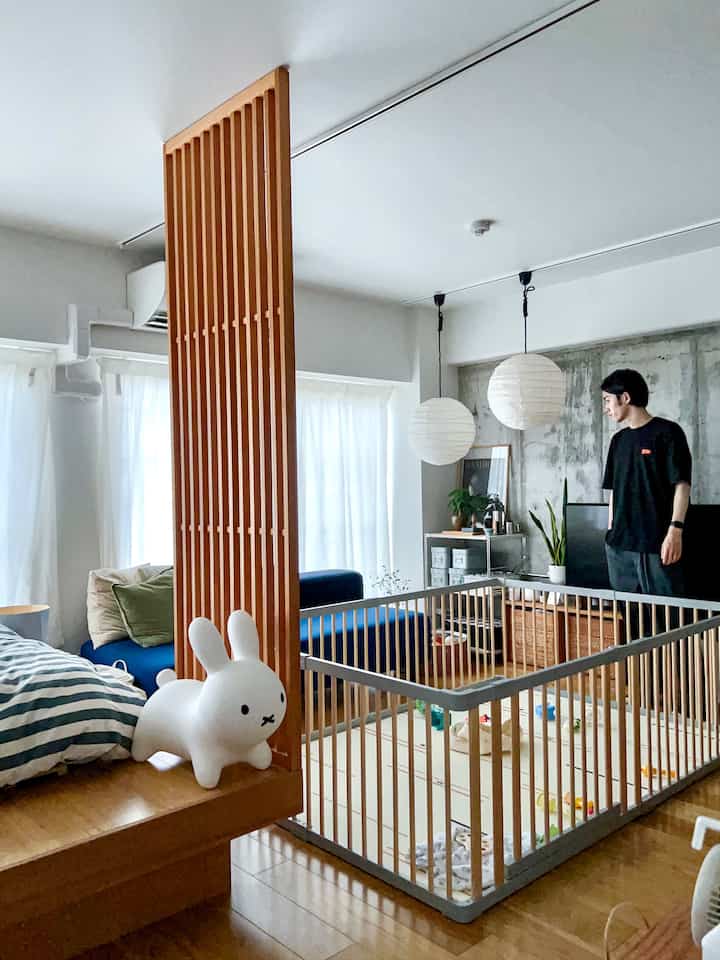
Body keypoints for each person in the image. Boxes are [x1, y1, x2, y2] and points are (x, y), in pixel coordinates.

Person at [601, 368, 691, 598]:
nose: (606, 408)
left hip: (657, 544)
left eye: (607, 400)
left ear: (625, 397)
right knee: (629, 615)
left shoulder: (668, 432)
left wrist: (675, 531)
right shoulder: (618, 441)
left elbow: (682, 485)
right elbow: (614, 490)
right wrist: (611, 532)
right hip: (619, 546)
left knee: (667, 615)